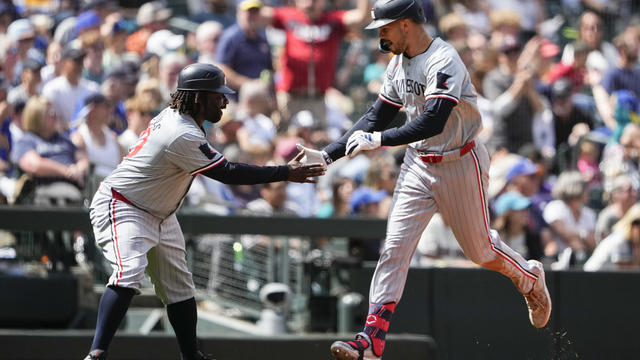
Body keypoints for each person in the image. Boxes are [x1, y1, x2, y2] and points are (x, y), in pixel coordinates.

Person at [297, 2, 552, 359]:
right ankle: (372, 338)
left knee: (479, 251)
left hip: (459, 161)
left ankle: (528, 276)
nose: (380, 36)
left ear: (405, 25)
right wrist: (328, 154)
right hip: (418, 163)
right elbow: (377, 115)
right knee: (394, 249)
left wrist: (382, 140)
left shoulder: (443, 58)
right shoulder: (398, 63)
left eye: (384, 28)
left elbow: (434, 119)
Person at [82, 63, 324, 360]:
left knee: (181, 288)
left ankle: (190, 356)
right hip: (124, 205)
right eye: (217, 95)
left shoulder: (181, 118)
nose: (224, 101)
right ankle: (97, 353)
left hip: (159, 211)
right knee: (129, 271)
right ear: (197, 97)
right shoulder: (180, 131)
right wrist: (285, 171)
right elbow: (229, 172)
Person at [584, 203, 640, 271]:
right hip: (591, 278)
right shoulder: (620, 240)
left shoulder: (632, 241)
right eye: (636, 223)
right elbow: (626, 273)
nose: (638, 227)